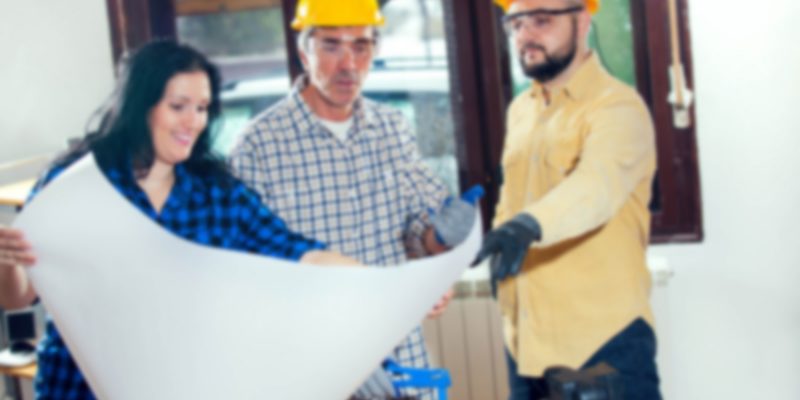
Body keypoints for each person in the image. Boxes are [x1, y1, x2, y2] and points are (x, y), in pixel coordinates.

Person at [0, 40, 358, 399]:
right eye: (178, 106)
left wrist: (373, 283)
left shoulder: (217, 194)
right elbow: (18, 297)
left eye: (202, 108)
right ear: (140, 106)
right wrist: (7, 259)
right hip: (78, 389)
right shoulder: (74, 185)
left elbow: (294, 250)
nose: (194, 121)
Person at [229, 0, 481, 398]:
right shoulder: (258, 145)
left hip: (400, 361)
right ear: (304, 53)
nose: (348, 64)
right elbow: (246, 272)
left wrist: (440, 246)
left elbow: (420, 232)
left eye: (361, 46)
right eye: (331, 46)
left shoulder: (392, 128)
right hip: (313, 370)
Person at [474, 0, 661, 398]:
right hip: (525, 343)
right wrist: (500, 245)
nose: (525, 35)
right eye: (516, 23)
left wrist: (529, 226)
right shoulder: (521, 110)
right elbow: (511, 199)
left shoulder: (617, 107)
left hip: (601, 344)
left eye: (542, 20)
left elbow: (597, 187)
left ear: (582, 21)